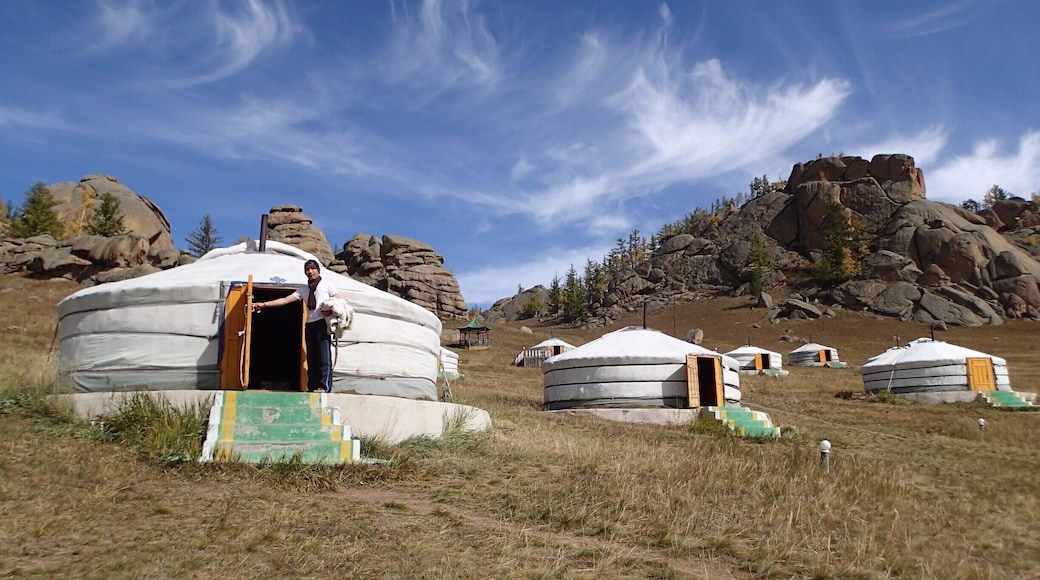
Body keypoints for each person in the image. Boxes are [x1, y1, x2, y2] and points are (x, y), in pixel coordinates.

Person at [254, 259, 341, 393]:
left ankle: (324, 387)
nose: (310, 271)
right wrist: (264, 305)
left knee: (323, 356)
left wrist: (330, 308)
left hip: (322, 323)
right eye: (307, 269)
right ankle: (312, 386)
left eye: (312, 268)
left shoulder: (327, 284)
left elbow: (337, 298)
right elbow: (285, 300)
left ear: (318, 270)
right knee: (311, 357)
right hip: (310, 324)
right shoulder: (304, 289)